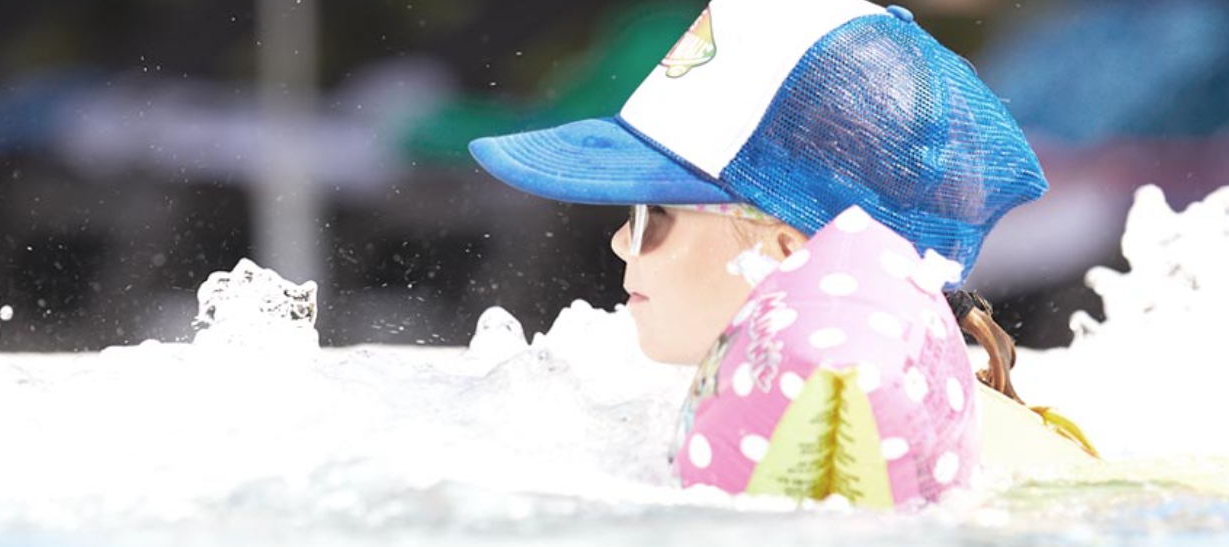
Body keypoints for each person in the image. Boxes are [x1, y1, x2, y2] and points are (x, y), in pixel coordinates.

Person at [468, 0, 1094, 503]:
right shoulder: (953, 424)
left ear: (791, 251)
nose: (619, 240)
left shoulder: (835, 455)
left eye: (651, 212)